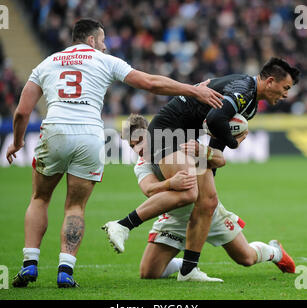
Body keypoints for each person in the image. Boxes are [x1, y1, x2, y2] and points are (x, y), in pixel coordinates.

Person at [6, 18, 224, 288]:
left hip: (54, 131)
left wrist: (16, 142)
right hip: (90, 135)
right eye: (103, 40)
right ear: (91, 40)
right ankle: (65, 270)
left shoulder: (46, 63)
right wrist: (194, 90)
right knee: (75, 206)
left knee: (39, 198)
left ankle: (29, 264)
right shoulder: (105, 60)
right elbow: (151, 83)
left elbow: (22, 112)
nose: (105, 45)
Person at [103, 57, 300, 281]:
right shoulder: (243, 90)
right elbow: (215, 119)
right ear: (271, 81)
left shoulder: (249, 104)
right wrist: (234, 142)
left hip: (182, 145)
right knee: (191, 193)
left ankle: (189, 268)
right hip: (169, 132)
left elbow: (217, 154)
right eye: (285, 88)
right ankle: (124, 227)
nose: (286, 95)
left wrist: (207, 156)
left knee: (237, 247)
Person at [128, 125, 295, 280]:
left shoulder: (180, 144)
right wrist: (170, 183)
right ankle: (185, 264)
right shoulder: (142, 164)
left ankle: (275, 252)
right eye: (132, 145)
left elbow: (219, 161)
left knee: (246, 258)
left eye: (140, 141)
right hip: (176, 218)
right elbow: (149, 189)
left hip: (207, 212)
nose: (138, 149)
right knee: (148, 273)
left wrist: (205, 151)